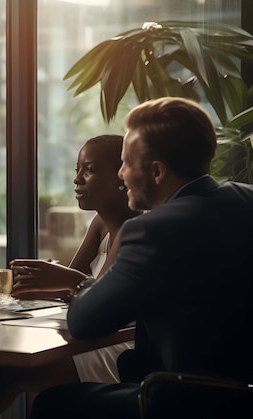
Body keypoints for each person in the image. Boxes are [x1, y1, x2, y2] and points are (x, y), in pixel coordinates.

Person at [23, 97, 253, 419]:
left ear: (156, 172)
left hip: (186, 399)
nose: (122, 174)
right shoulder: (247, 199)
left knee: (52, 403)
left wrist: (78, 285)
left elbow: (84, 322)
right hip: (242, 395)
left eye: (126, 163)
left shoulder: (153, 230)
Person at [0, 135, 139, 418]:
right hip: (88, 334)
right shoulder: (100, 222)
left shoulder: (135, 227)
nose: (77, 180)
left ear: (122, 175)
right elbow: (72, 287)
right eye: (76, 170)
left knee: (14, 375)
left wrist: (65, 280)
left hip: (118, 346)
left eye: (88, 170)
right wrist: (42, 282)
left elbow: (101, 300)